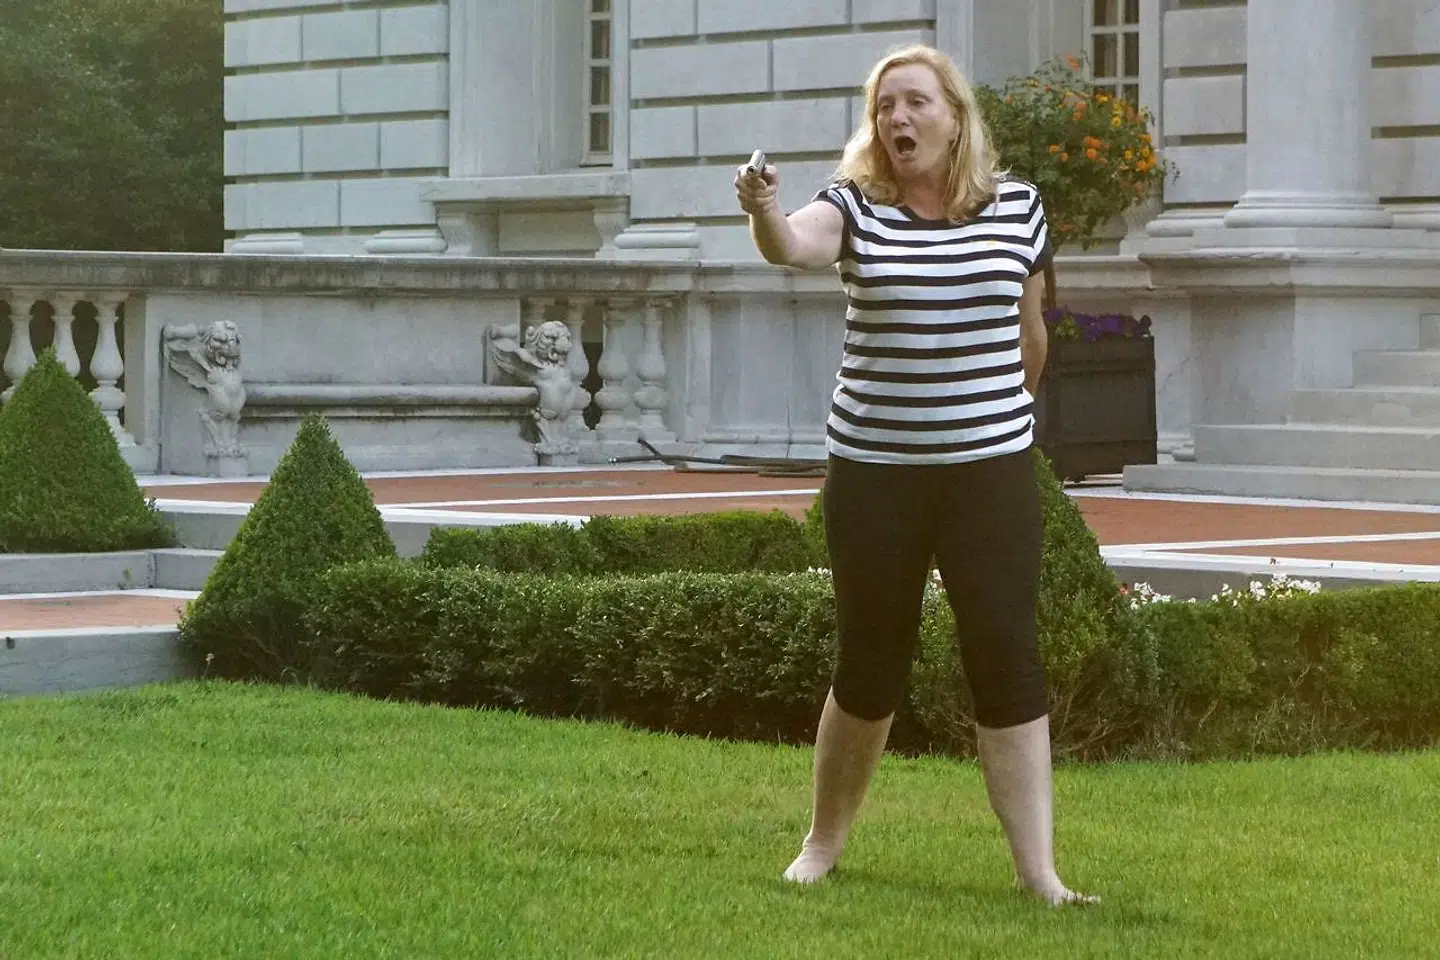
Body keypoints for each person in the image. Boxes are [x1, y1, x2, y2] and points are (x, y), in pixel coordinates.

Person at [733, 43, 1096, 906]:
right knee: (870, 661)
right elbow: (793, 248)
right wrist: (763, 209)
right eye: (884, 106)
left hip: (991, 476)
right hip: (875, 476)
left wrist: (999, 426)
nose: (898, 119)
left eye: (916, 103)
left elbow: (1032, 333)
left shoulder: (1019, 208)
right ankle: (821, 843)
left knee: (1008, 657)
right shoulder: (854, 207)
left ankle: (1039, 874)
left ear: (956, 117)